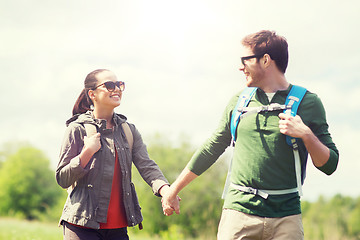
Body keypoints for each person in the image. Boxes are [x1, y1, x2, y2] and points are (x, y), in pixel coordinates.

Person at [161, 30, 339, 239]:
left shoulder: (309, 103)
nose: (240, 67)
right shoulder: (239, 101)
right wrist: (173, 189)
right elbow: (212, 147)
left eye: (245, 60)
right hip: (238, 215)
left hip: (286, 218)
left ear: (265, 60)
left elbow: (330, 165)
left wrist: (306, 135)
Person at [56, 69, 178, 240]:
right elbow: (62, 178)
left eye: (120, 84)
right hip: (81, 225)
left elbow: (147, 166)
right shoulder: (77, 128)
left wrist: (166, 191)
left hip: (118, 229)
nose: (117, 89)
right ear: (92, 94)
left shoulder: (128, 130)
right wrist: (87, 153)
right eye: (109, 85)